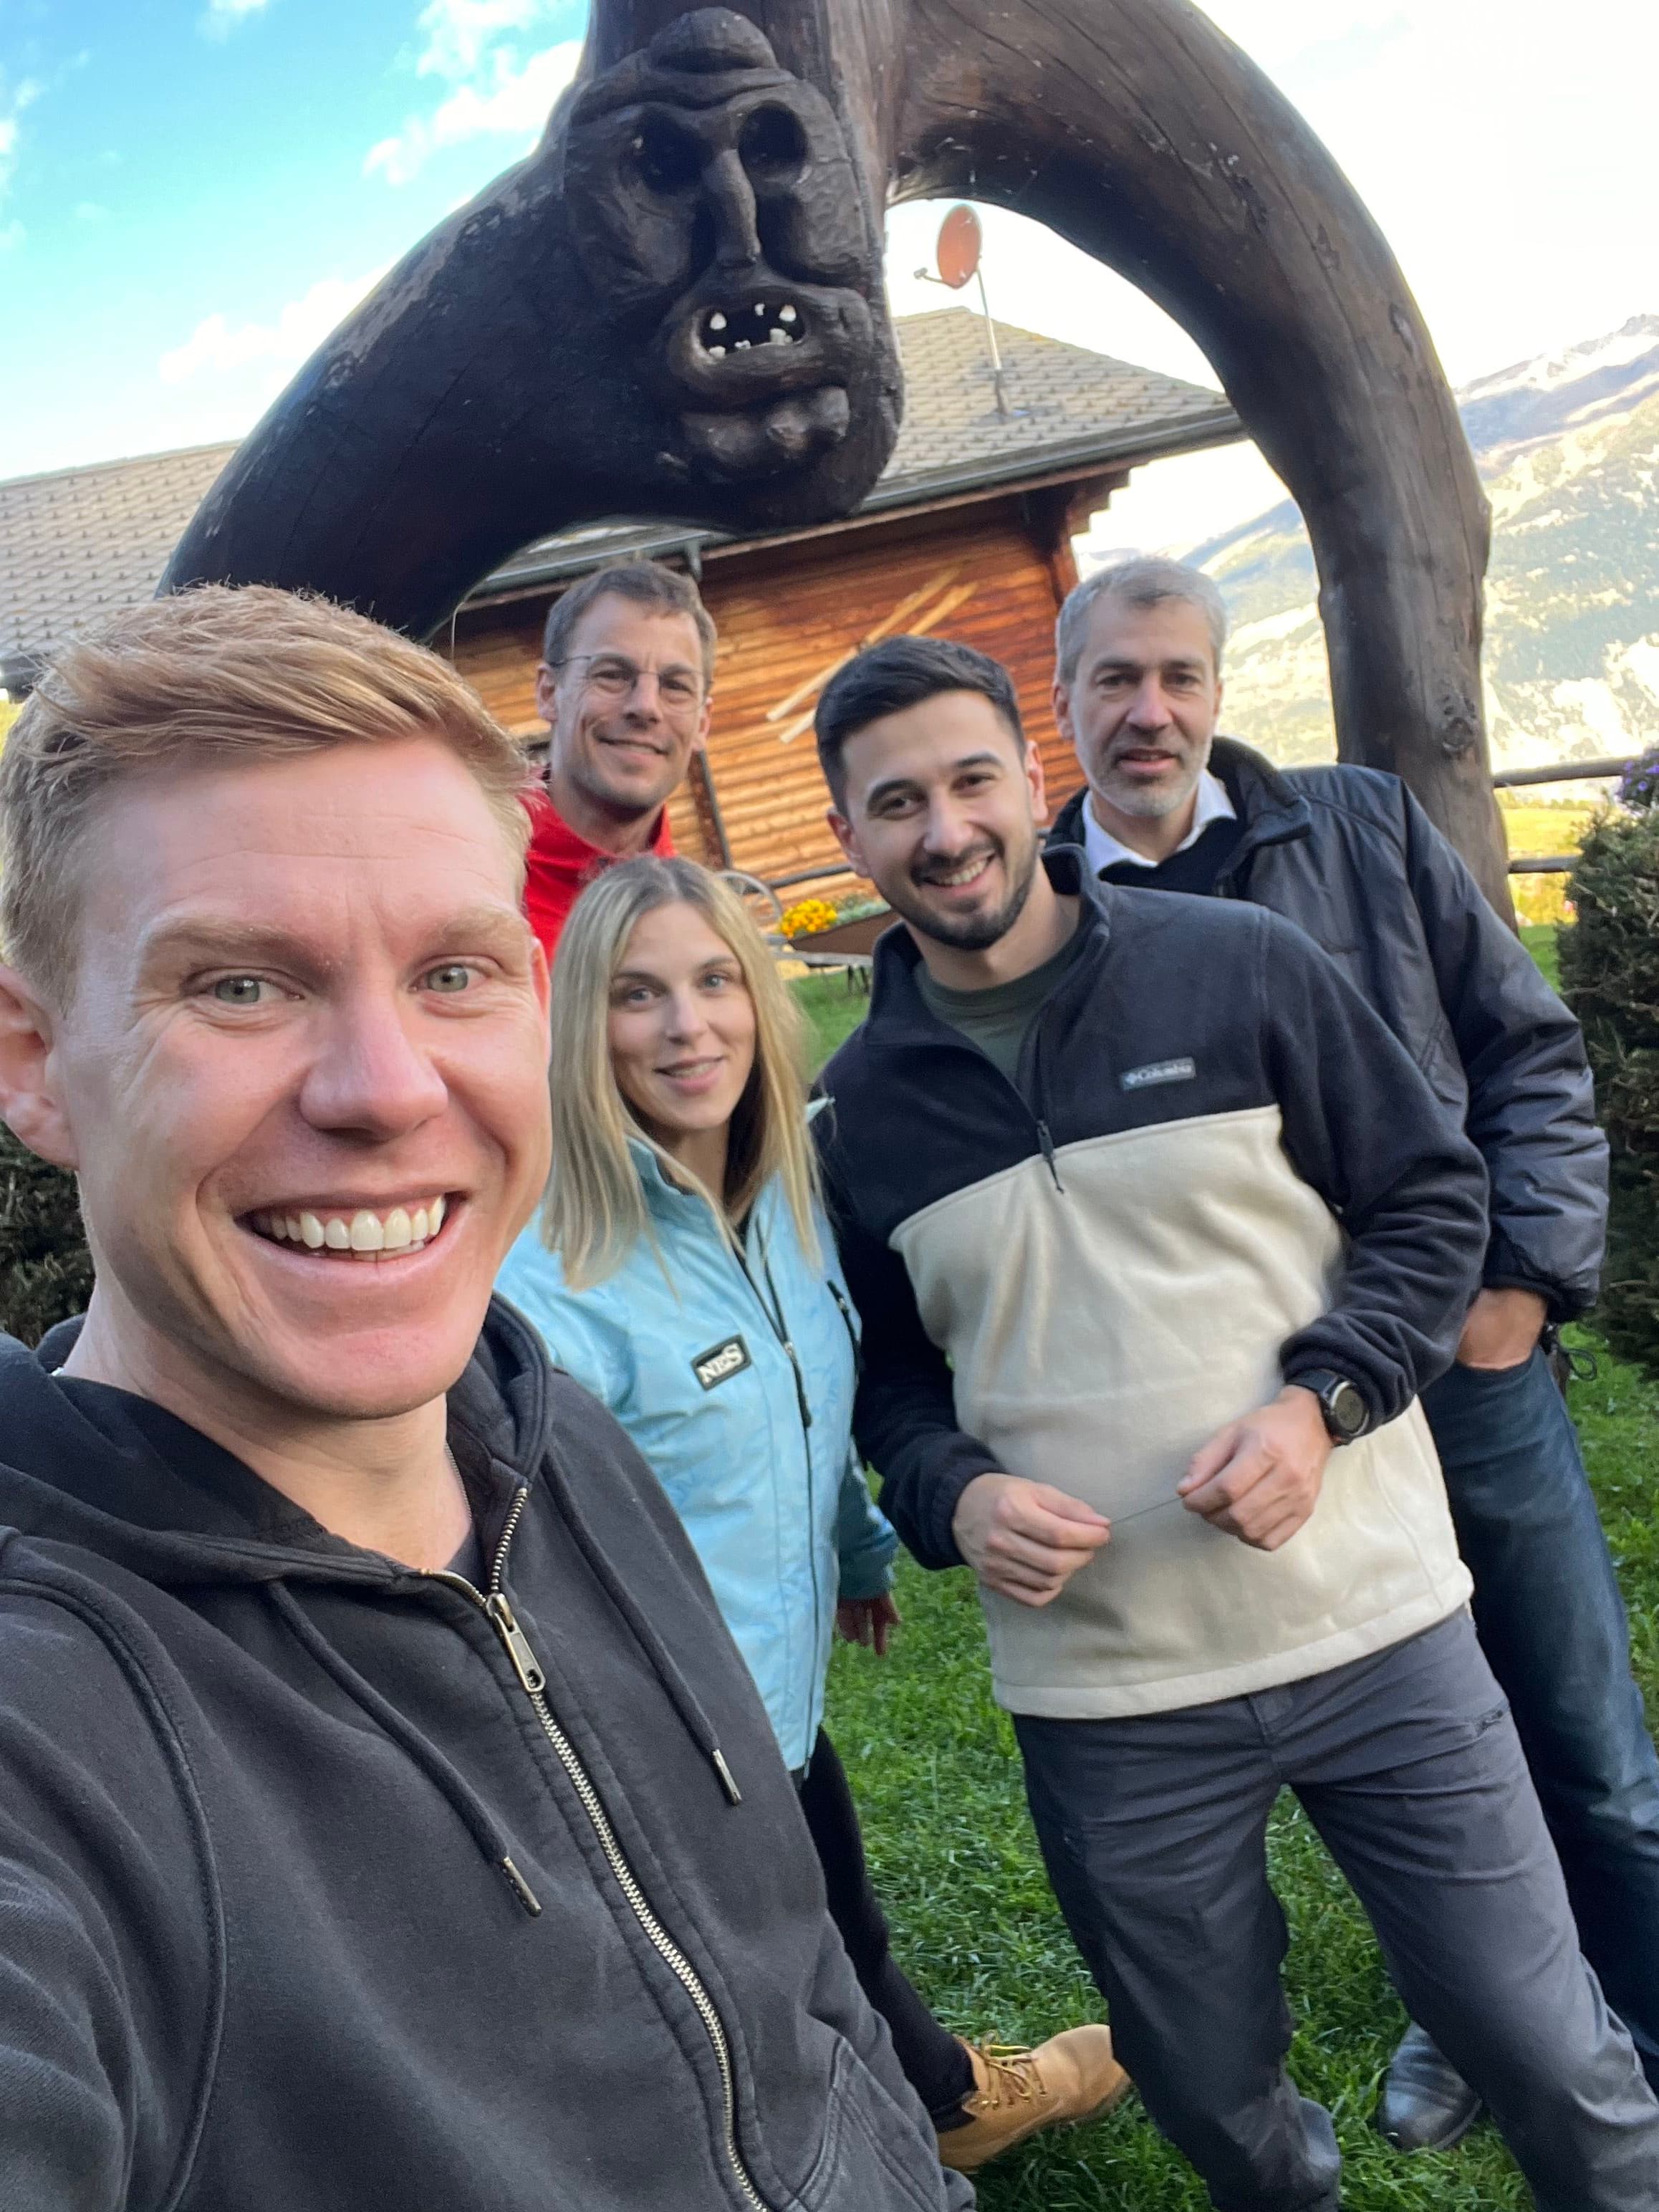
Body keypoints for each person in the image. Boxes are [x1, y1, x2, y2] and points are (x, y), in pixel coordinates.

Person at [0, 585, 972, 2212]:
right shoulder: (52, 1743)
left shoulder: (554, 1435)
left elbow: (790, 1974)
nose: (384, 1088)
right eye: (238, 985)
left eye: (454, 972)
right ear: (33, 1062)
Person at [809, 632, 1659, 2212]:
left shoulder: (1237, 964)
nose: (944, 828)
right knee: (1212, 2099)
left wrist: (1323, 1397)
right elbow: (889, 1383)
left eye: (971, 778)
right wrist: (953, 1495)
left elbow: (1427, 1192)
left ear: (1027, 779)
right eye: (896, 801)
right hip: (1111, 1697)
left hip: (1378, 1626)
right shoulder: (859, 1113)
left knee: (1557, 2056)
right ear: (851, 839)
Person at [1046, 553, 1659, 2148]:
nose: (1151, 709)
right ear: (1066, 697)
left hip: (1459, 1368)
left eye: (1178, 674)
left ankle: (1649, 2004)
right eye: (1116, 678)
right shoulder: (1044, 918)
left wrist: (1520, 1282)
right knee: (1406, 1747)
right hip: (1258, 1416)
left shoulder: (1368, 830)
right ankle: (1472, 2018)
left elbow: (1529, 1052)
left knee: (1584, 1735)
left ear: (1218, 690)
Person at [496, 852, 1127, 2173]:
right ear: (581, 1025)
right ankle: (913, 2123)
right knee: (765, 1983)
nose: (687, 1026)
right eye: (637, 994)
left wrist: (853, 1547)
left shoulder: (789, 1200)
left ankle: (934, 2101)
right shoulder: (551, 1273)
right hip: (655, 1739)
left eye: (716, 980)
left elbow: (806, 1384)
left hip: (768, 1697)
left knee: (834, 1913)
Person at [522, 559, 713, 959]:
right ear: (548, 693)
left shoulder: (709, 929)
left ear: (703, 722)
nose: (645, 707)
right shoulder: (466, 883)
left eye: (676, 686)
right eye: (612, 674)